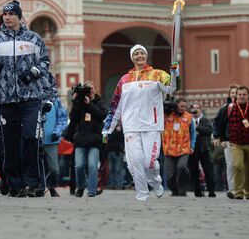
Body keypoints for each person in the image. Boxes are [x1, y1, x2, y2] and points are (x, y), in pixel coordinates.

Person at [0, 0, 52, 197]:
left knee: (30, 137)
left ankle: (32, 182)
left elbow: (45, 62)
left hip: (30, 97)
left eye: (11, 14)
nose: (7, 18)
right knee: (11, 143)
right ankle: (15, 184)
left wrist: (33, 72)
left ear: (18, 16)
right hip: (6, 99)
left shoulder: (33, 38)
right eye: (5, 15)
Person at [103, 44, 178, 201]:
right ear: (132, 57)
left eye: (142, 53)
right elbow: (116, 105)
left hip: (152, 125)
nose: (139, 56)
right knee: (134, 162)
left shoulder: (157, 74)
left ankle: (155, 182)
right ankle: (142, 193)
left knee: (149, 163)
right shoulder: (124, 79)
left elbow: (171, 88)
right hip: (130, 126)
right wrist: (107, 129)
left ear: (146, 56)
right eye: (136, 54)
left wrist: (173, 73)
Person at [66, 81, 107, 197]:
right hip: (81, 139)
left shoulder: (99, 102)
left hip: (95, 140)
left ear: (95, 90)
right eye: (88, 89)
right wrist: (75, 102)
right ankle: (81, 186)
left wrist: (90, 104)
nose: (91, 91)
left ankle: (91, 191)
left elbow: (102, 115)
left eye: (92, 88)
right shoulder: (79, 103)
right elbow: (73, 118)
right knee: (78, 166)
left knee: (93, 166)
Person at [226, 86, 249, 200]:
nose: (241, 96)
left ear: (248, 95)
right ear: (236, 95)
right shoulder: (230, 107)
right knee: (237, 166)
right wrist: (220, 137)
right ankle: (239, 192)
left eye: (244, 94)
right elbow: (220, 122)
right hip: (236, 143)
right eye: (239, 94)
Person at [41, 71, 68, 197]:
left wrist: (57, 131)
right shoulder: (32, 99)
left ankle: (49, 186)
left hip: (51, 141)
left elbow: (62, 118)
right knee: (37, 167)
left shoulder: (56, 101)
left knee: (54, 169)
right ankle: (40, 188)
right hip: (35, 140)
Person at [162, 98, 195, 197]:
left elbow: (193, 133)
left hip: (184, 148)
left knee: (182, 166)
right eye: (181, 106)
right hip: (169, 148)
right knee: (170, 172)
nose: (183, 108)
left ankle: (183, 189)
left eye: (185, 106)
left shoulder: (189, 117)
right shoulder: (167, 115)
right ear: (176, 106)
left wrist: (192, 146)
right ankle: (174, 190)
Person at [212, 84, 238, 193]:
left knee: (241, 165)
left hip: (244, 140)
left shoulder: (247, 107)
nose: (234, 95)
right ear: (229, 94)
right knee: (231, 165)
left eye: (236, 93)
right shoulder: (225, 108)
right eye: (232, 93)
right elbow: (216, 122)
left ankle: (242, 188)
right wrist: (218, 137)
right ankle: (232, 189)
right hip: (228, 140)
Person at [188, 102, 216, 197]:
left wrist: (197, 128)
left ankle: (211, 191)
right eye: (193, 108)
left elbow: (209, 130)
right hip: (192, 148)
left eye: (197, 108)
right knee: (194, 170)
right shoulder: (188, 120)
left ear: (200, 109)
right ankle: (197, 191)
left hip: (204, 148)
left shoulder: (205, 120)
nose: (195, 110)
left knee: (208, 170)